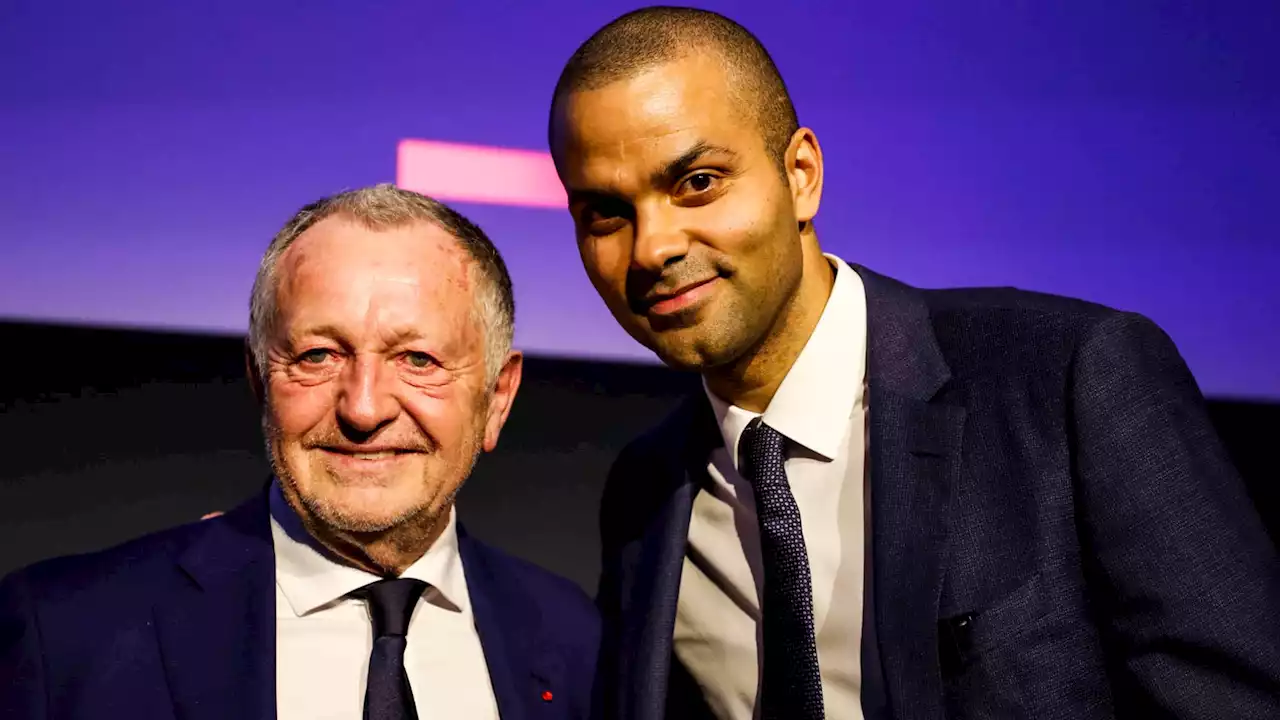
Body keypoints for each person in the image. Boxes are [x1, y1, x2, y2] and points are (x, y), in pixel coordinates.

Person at [547, 7, 1280, 719]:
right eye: (605, 214)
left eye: (697, 183)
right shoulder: (647, 492)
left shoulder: (1068, 380)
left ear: (801, 174)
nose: (652, 247)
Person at [0, 185, 599, 719]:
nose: (364, 409)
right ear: (260, 379)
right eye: (318, 356)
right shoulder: (64, 631)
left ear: (497, 397)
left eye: (419, 360)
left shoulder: (581, 644)